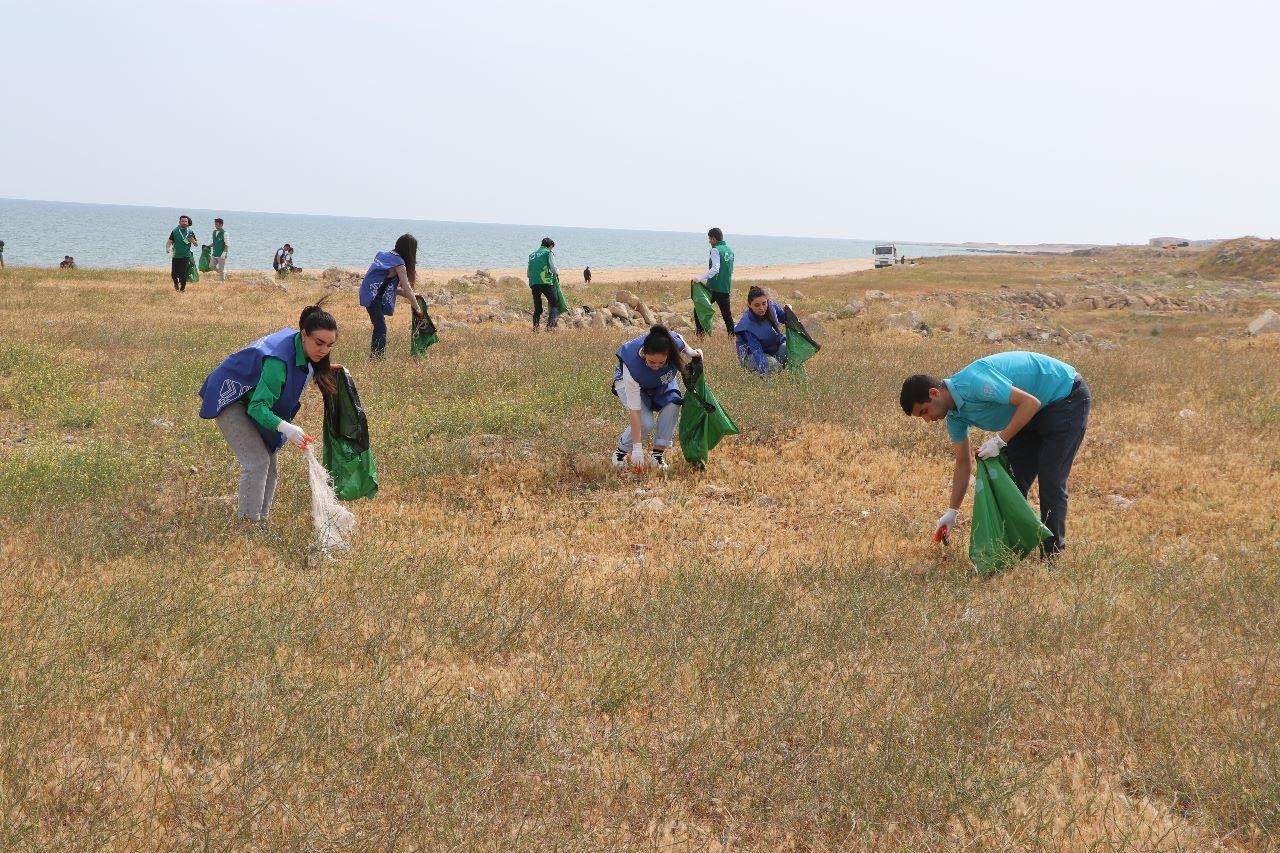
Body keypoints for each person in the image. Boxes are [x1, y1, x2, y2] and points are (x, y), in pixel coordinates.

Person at [899, 350, 1092, 557]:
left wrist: (1000, 441)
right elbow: (963, 463)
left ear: (934, 393)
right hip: (1029, 413)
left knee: (1051, 481)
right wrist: (952, 512)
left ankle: (1052, 556)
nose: (928, 420)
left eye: (924, 412)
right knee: (1011, 483)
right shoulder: (955, 417)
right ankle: (1011, 550)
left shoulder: (975, 383)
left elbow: (1030, 403)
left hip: (1064, 397)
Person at [197, 301, 339, 522]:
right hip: (231, 397)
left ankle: (262, 520)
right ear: (304, 334)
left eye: (330, 345)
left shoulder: (303, 349)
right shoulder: (278, 362)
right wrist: (285, 427)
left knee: (271, 463)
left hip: (252, 396)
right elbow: (257, 407)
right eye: (319, 343)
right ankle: (248, 524)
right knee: (257, 461)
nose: (324, 350)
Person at [611, 324, 703, 473]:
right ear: (644, 353)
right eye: (652, 362)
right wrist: (637, 448)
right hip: (633, 382)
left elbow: (681, 342)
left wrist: (694, 353)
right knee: (646, 422)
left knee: (674, 402)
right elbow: (635, 412)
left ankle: (657, 455)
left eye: (661, 362)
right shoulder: (632, 365)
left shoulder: (672, 343)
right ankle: (620, 453)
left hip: (661, 380)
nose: (656, 366)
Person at [358, 233, 422, 358]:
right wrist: (417, 308)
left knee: (379, 327)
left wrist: (412, 296)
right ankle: (377, 359)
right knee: (381, 328)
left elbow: (388, 287)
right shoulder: (399, 264)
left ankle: (376, 357)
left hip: (367, 292)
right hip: (374, 298)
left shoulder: (382, 255)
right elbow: (407, 288)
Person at [734, 286, 791, 374]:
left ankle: (779, 369)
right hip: (752, 355)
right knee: (773, 365)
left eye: (764, 303)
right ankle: (769, 372)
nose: (762, 308)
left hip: (771, 349)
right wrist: (765, 371)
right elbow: (758, 353)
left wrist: (789, 311)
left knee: (790, 349)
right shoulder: (747, 326)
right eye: (757, 305)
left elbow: (785, 319)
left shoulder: (771, 307)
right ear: (750, 305)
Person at [691, 227, 735, 336]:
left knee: (699, 309)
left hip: (714, 288)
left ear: (714, 238)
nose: (709, 241)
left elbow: (715, 269)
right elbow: (729, 270)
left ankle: (700, 335)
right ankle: (732, 336)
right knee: (727, 315)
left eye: (710, 239)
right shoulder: (730, 251)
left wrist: (699, 278)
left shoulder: (715, 250)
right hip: (725, 288)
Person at [527, 237, 561, 331]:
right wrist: (558, 271)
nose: (551, 249)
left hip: (533, 283)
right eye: (551, 248)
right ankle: (549, 327)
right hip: (545, 282)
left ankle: (535, 328)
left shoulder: (532, 255)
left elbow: (528, 273)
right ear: (550, 246)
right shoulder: (548, 253)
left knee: (538, 308)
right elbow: (553, 269)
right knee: (554, 304)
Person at [165, 215, 199, 291]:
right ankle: (176, 283)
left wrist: (193, 241)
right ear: (179, 222)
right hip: (176, 256)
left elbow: (196, 244)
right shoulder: (175, 231)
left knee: (182, 272)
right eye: (183, 221)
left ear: (187, 222)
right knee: (174, 274)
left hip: (186, 255)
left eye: (186, 221)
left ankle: (182, 289)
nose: (184, 223)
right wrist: (167, 248)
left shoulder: (190, 232)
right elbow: (169, 242)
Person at [210, 218, 229, 282]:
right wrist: (208, 246)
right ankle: (223, 273)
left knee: (221, 269)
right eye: (215, 224)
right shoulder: (214, 232)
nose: (215, 225)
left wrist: (224, 253)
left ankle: (222, 282)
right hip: (215, 253)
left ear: (221, 225)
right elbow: (214, 242)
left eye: (217, 224)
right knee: (211, 266)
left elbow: (227, 245)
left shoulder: (224, 233)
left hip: (222, 254)